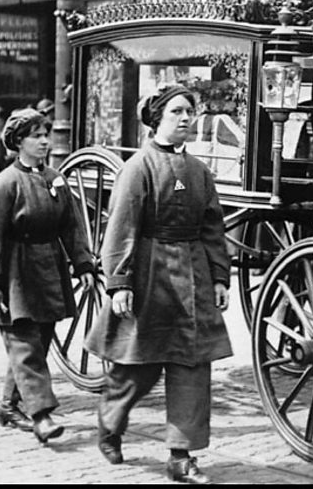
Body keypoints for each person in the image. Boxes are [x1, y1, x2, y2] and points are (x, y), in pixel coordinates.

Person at [84, 84, 232, 484]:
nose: (186, 119)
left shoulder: (200, 172)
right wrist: (120, 283)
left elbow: (212, 229)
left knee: (192, 365)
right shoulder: (138, 168)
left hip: (194, 276)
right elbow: (122, 228)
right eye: (177, 112)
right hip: (149, 273)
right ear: (157, 119)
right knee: (137, 365)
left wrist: (219, 277)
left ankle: (180, 457)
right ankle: (110, 424)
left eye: (190, 112)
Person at [0, 108, 98, 444]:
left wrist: (84, 264)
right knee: (24, 344)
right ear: (18, 142)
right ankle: (41, 416)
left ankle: (8, 404)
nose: (45, 141)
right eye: (36, 135)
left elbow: (71, 226)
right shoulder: (3, 185)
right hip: (16, 271)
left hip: (49, 269)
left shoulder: (54, 178)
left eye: (46, 134)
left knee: (39, 341)